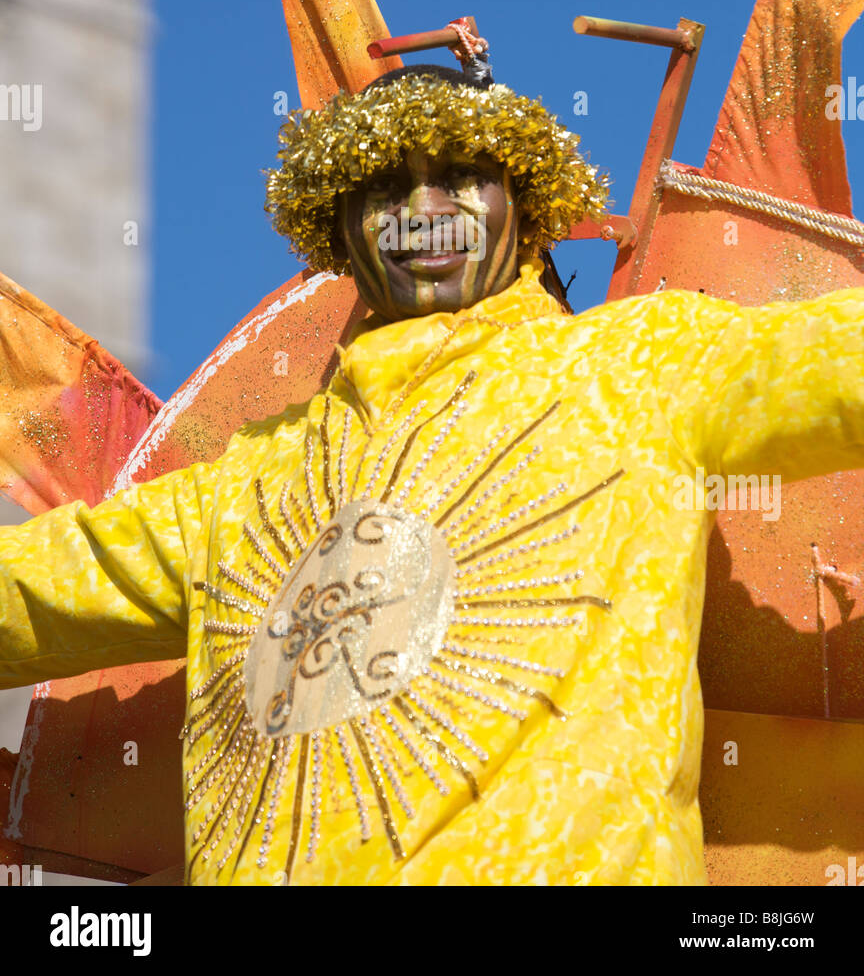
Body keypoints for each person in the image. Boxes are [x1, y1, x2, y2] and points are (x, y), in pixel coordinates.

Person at [1, 57, 863, 888]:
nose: (423, 207)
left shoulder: (633, 369)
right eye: (383, 187)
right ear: (339, 231)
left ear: (522, 206)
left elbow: (839, 363)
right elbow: (25, 594)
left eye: (459, 174)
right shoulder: (240, 487)